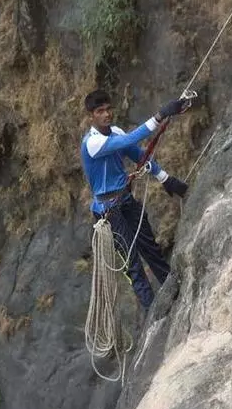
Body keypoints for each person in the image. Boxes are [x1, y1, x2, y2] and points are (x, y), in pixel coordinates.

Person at [80, 89, 191, 311]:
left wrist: (165, 179)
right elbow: (131, 139)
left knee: (150, 247)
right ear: (92, 116)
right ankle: (153, 311)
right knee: (132, 263)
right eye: (100, 111)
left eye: (108, 109)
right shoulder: (92, 143)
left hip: (126, 200)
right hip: (108, 210)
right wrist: (161, 115)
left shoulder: (115, 132)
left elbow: (139, 155)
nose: (106, 114)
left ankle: (174, 290)